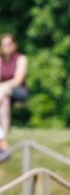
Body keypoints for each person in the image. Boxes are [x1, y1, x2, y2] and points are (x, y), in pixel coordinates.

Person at [0, 34, 29, 163]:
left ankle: (3, 143)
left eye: (8, 44)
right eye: (3, 44)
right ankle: (3, 139)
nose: (5, 47)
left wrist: (2, 87)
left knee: (3, 92)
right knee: (3, 98)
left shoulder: (21, 58)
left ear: (14, 45)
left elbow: (18, 80)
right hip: (2, 94)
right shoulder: (1, 60)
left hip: (18, 90)